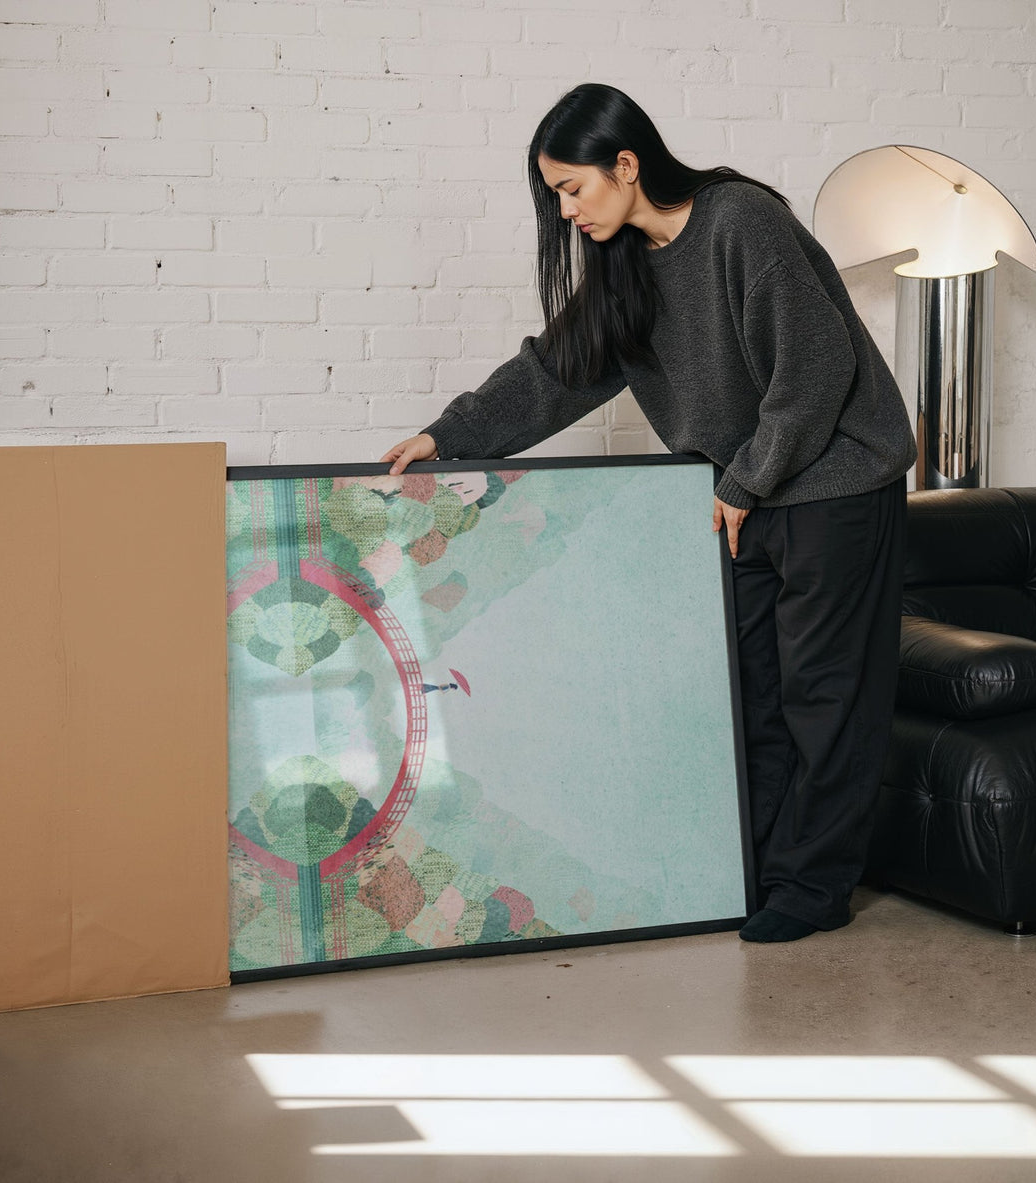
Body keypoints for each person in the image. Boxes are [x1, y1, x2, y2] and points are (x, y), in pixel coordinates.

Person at [381, 83, 917, 943]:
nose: (566, 212)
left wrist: (745, 481)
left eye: (573, 189)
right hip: (745, 492)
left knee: (826, 695)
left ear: (626, 165)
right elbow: (558, 369)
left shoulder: (741, 222)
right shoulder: (626, 263)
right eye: (554, 195)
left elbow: (814, 372)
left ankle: (812, 888)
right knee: (750, 696)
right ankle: (758, 872)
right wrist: (450, 435)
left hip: (834, 480)